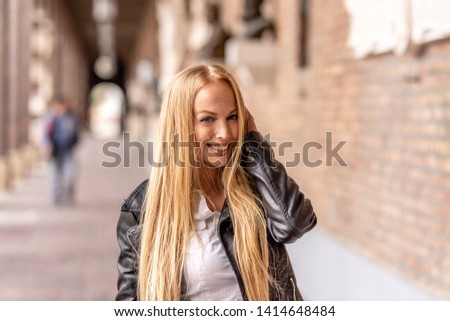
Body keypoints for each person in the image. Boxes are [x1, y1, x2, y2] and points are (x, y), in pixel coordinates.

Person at [116, 63, 316, 301]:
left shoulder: (255, 186)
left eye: (232, 117)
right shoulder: (140, 210)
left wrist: (254, 146)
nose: (225, 133)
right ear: (180, 126)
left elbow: (294, 224)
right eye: (207, 119)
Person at [42, 96, 80, 205]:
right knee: (54, 175)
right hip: (54, 152)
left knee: (70, 175)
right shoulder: (50, 118)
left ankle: (69, 195)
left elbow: (76, 133)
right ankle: (56, 197)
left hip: (68, 151)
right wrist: (47, 145)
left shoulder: (71, 117)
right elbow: (44, 134)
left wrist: (73, 143)